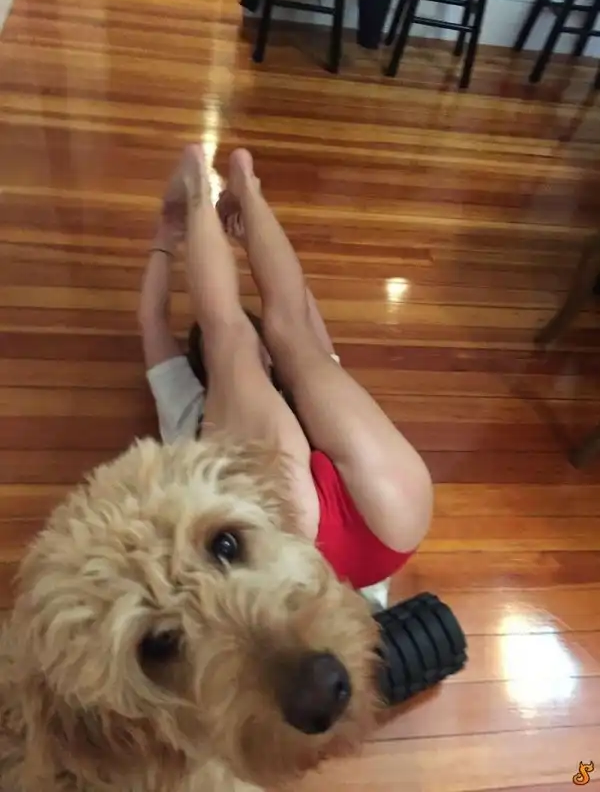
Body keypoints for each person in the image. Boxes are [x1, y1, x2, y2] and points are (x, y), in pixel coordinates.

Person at [138, 145, 433, 605]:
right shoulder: (274, 388)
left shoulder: (192, 414)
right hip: (388, 514)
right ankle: (240, 185)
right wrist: (207, 229)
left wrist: (167, 239)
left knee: (229, 333)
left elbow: (152, 322)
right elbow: (299, 304)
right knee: (281, 327)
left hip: (347, 553)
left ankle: (207, 185)